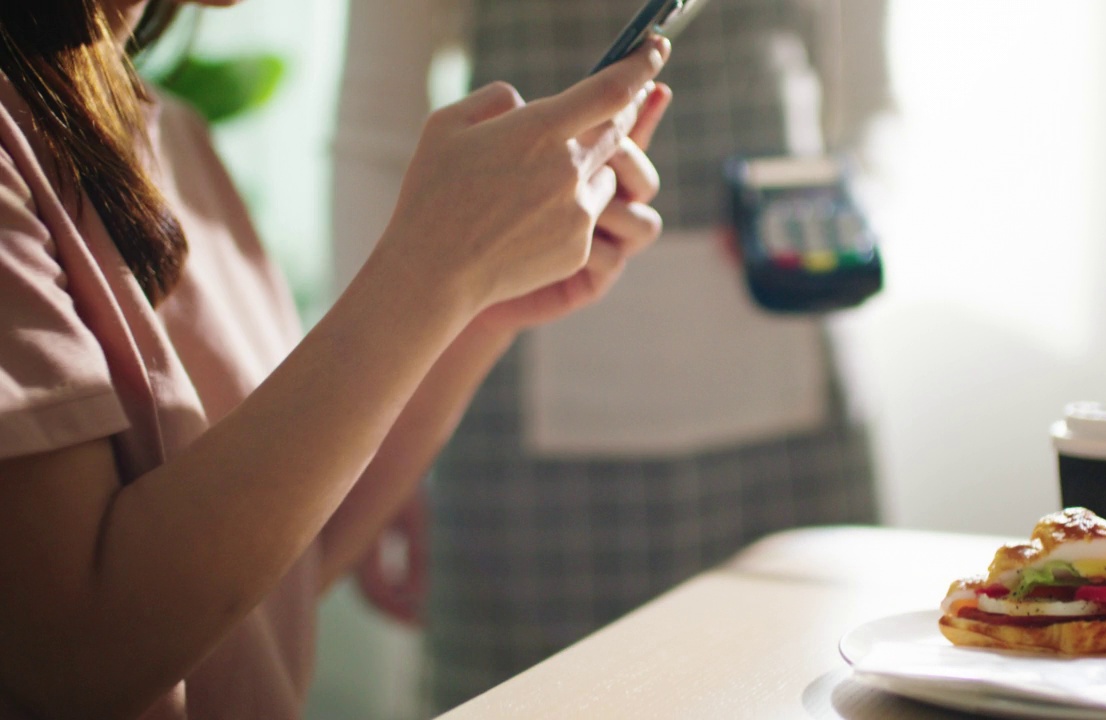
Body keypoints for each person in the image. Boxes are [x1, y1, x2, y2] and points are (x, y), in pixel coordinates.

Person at [0, 0, 673, 715]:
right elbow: (83, 654)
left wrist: (479, 307)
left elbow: (268, 574)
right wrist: (430, 272)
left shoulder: (176, 140)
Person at [336, 0, 891, 712]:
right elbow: (375, 136)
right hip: (515, 412)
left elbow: (871, 103)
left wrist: (843, 215)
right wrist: (382, 446)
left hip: (789, 387)